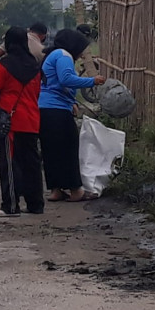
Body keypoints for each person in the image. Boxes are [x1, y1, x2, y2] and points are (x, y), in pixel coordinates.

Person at [38, 29, 105, 202]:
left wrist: (72, 102)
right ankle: (76, 190)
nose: (83, 52)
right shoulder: (64, 55)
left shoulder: (54, 55)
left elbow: (55, 83)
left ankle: (56, 189)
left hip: (45, 108)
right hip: (57, 110)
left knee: (51, 150)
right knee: (68, 149)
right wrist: (93, 80)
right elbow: (66, 79)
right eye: (82, 48)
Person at [0, 27, 44, 218]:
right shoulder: (35, 65)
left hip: (10, 121)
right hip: (31, 118)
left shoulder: (5, 64)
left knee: (9, 164)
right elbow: (36, 93)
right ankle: (36, 204)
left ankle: (10, 206)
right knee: (32, 163)